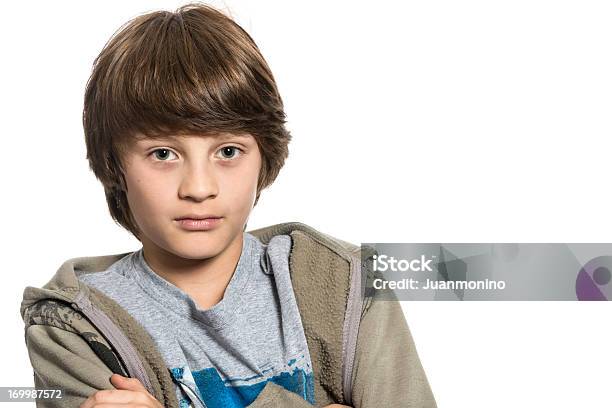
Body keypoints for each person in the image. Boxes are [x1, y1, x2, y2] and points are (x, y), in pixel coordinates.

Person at [20, 3, 436, 407]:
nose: (199, 188)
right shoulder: (71, 327)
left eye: (228, 151)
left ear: (264, 157)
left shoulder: (349, 282)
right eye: (163, 154)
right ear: (115, 164)